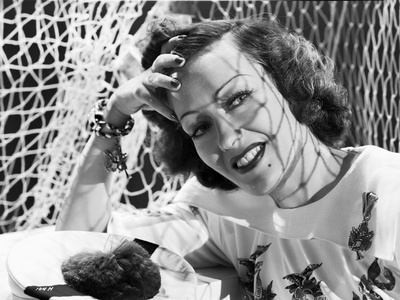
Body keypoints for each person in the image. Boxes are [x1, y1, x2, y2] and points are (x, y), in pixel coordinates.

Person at [56, 17, 400, 299]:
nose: (229, 138)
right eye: (200, 127)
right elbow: (79, 247)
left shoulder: (389, 193)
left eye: (238, 99)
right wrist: (115, 115)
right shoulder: (221, 215)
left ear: (288, 83)